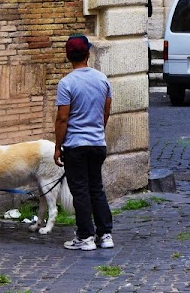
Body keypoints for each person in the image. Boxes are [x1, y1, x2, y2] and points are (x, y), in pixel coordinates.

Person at [54, 34, 115, 251]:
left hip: (75, 145)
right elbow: (105, 112)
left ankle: (85, 236)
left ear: (68, 56)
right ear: (88, 53)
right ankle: (105, 234)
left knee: (80, 191)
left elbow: (63, 118)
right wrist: (98, 132)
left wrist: (57, 147)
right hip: (97, 143)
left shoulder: (66, 83)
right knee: (96, 188)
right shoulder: (102, 79)